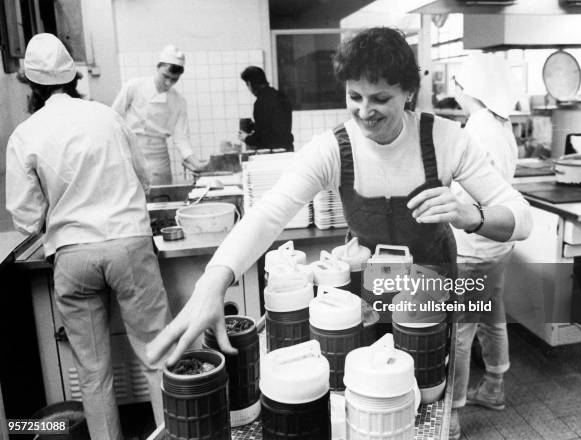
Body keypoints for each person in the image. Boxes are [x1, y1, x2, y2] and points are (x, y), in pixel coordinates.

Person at [147, 27, 533, 416]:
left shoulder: (446, 140)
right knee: (372, 390)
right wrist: (212, 281)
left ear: (409, 93)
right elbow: (268, 213)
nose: (365, 111)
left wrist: (473, 216)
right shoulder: (334, 148)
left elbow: (521, 217)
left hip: (430, 288)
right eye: (355, 96)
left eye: (381, 98)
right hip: (370, 287)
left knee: (430, 390)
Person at [6, 33, 170, 440]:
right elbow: (144, 178)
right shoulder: (106, 116)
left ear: (30, 85)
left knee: (93, 373)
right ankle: (171, 434)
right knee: (156, 356)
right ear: (74, 77)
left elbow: (26, 219)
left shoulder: (25, 134)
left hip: (72, 255)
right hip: (129, 246)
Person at [449, 53, 522, 440]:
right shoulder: (501, 124)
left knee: (460, 331)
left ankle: (454, 417)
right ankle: (494, 387)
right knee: (492, 316)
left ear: (470, 89)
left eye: (458, 86)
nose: (456, 93)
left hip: (473, 247)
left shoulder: (476, 128)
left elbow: (461, 194)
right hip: (499, 244)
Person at [112, 44, 208, 184]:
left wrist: (197, 163)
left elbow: (181, 138)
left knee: (161, 198)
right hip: (131, 153)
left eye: (174, 79)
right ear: (158, 67)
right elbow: (114, 116)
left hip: (159, 158)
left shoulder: (178, 101)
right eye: (165, 76)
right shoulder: (134, 86)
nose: (168, 83)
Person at [238, 66, 294, 151]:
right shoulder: (281, 96)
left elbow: (262, 138)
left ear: (249, 83)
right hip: (287, 149)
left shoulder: (260, 102)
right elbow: (276, 126)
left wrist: (246, 138)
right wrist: (256, 126)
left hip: (272, 154)